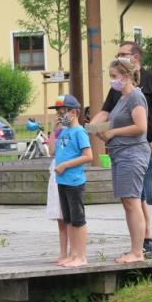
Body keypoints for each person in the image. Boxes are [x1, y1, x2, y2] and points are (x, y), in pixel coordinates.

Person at [90, 41, 152, 257]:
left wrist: (114, 133)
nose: (112, 80)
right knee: (128, 201)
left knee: (134, 201)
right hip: (120, 154)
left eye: (114, 76)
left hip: (133, 153)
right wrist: (97, 129)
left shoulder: (135, 96)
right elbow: (108, 116)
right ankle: (135, 249)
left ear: (125, 76)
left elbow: (141, 127)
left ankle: (137, 251)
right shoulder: (122, 98)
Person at [49, 94, 93, 268]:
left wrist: (66, 164)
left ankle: (81, 256)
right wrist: (54, 130)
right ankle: (73, 254)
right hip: (62, 181)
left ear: (74, 112)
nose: (60, 116)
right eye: (58, 113)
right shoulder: (64, 131)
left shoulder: (79, 131)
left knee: (78, 219)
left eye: (63, 112)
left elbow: (88, 156)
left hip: (74, 181)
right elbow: (52, 151)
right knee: (68, 220)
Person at [46, 118, 68, 263]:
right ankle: (63, 253)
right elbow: (52, 151)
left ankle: (74, 253)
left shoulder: (74, 132)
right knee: (60, 218)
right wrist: (54, 131)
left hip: (68, 172)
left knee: (69, 218)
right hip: (56, 171)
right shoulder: (59, 131)